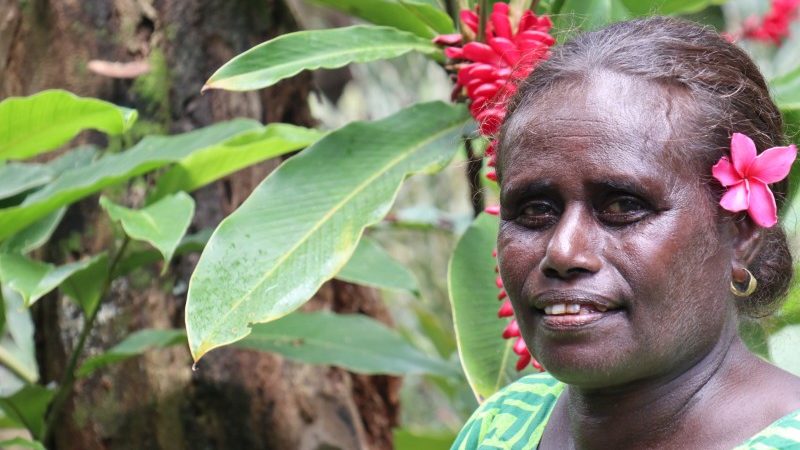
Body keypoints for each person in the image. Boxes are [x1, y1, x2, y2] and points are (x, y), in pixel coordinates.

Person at [452, 16, 800, 450]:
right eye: (534, 210)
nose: (562, 251)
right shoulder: (501, 427)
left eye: (622, 207)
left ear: (741, 231)